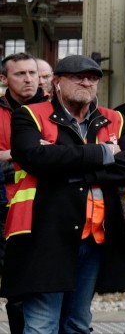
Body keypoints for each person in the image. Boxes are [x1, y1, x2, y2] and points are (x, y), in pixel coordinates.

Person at [3, 54, 125, 334]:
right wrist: (104, 153)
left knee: (78, 323)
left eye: (92, 78)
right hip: (44, 235)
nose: (86, 82)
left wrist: (71, 167)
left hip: (93, 237)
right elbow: (34, 157)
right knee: (43, 323)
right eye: (77, 77)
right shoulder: (30, 115)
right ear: (56, 83)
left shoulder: (113, 119)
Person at [0, 52, 50, 334]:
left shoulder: (53, 110)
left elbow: (60, 154)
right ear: (4, 79)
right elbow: (38, 154)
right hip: (4, 207)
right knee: (15, 286)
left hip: (42, 208)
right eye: (20, 74)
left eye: (33, 73)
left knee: (38, 283)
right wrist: (24, 153)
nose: (29, 79)